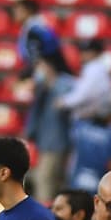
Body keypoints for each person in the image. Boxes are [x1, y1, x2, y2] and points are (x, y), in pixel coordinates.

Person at [25, 55, 75, 204]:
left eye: (40, 65)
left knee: (45, 181)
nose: (38, 70)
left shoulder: (64, 83)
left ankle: (44, 217)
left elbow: (67, 105)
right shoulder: (41, 87)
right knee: (51, 182)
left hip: (57, 143)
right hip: (43, 143)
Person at [59, 39, 111, 123]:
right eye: (82, 51)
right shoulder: (99, 68)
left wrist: (64, 102)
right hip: (96, 119)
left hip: (91, 121)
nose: (83, 54)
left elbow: (82, 95)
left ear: (96, 52)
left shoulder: (94, 68)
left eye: (87, 51)